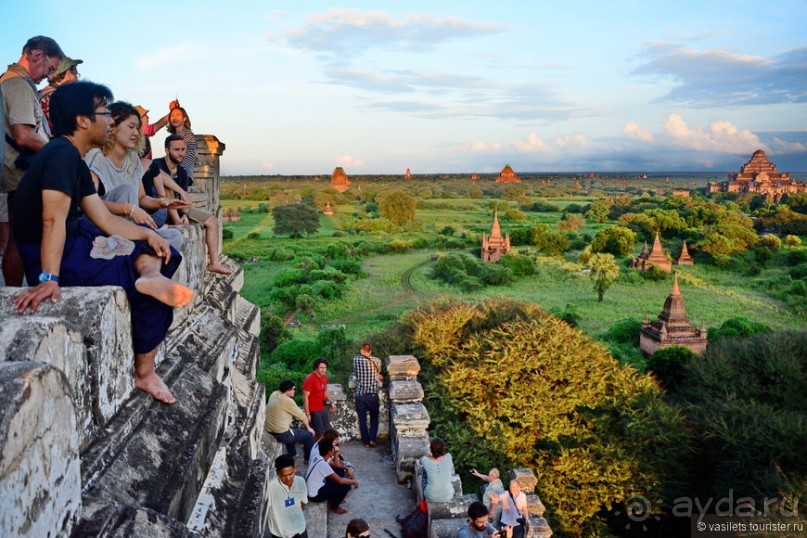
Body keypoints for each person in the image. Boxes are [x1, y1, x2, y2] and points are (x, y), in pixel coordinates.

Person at [12, 81, 193, 404]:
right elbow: (51, 220)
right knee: (149, 294)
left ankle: (149, 275)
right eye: (105, 112)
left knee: (163, 249)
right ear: (83, 120)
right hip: (59, 253)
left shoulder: (72, 158)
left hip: (76, 238)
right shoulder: (61, 155)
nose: (111, 119)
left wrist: (149, 234)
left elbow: (105, 219)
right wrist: (49, 278)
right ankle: (145, 373)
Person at [2, 35, 64, 286]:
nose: (48, 76)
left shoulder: (8, 81)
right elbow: (24, 134)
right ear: (38, 56)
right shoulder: (18, 84)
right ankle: (15, 296)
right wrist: (57, 152)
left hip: (13, 173)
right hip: (20, 175)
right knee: (19, 240)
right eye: (49, 68)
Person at [85, 102, 187, 252]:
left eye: (138, 128)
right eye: (131, 127)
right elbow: (89, 204)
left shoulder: (133, 160)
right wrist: (128, 209)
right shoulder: (96, 157)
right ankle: (135, 248)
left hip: (131, 227)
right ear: (113, 126)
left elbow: (141, 198)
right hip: (102, 227)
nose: (136, 133)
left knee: (175, 237)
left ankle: (137, 248)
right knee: (126, 190)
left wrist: (162, 202)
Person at [142, 134, 230, 273]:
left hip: (178, 209)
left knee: (212, 221)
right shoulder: (156, 165)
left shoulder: (182, 172)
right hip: (159, 209)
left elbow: (184, 201)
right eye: (176, 149)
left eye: (183, 149)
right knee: (168, 189)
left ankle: (214, 263)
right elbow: (165, 192)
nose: (180, 153)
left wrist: (184, 215)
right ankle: (178, 221)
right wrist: (178, 215)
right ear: (167, 150)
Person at [265, 379, 316, 463]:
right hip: (281, 434)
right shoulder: (288, 401)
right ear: (288, 390)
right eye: (293, 389)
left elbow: (278, 410)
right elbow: (302, 416)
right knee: (308, 435)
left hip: (270, 430)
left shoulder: (274, 394)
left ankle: (293, 454)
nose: (294, 391)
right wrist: (309, 428)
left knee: (292, 431)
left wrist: (288, 422)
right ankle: (308, 459)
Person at [305, 438, 358, 515]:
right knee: (345, 485)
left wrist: (345, 467)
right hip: (316, 495)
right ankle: (334, 507)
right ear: (329, 452)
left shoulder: (318, 457)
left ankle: (335, 497)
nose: (334, 449)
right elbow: (340, 481)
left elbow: (336, 465)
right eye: (333, 448)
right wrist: (354, 481)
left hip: (314, 488)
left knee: (339, 472)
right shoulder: (323, 465)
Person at [267, 454, 308, 538]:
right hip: (280, 534)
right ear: (277, 473)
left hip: (300, 529)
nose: (288, 478)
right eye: (284, 476)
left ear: (295, 469)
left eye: (290, 474)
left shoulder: (301, 481)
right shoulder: (270, 489)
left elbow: (303, 503)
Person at [38, 55, 82, 133]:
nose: (77, 80)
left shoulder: (40, 94)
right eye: (76, 75)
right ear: (68, 73)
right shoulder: (59, 98)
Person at [353, 343, 382, 448]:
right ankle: (372, 439)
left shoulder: (356, 360)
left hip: (360, 394)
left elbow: (355, 373)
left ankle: (366, 442)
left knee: (362, 419)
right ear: (370, 351)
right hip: (372, 395)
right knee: (374, 417)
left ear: (361, 350)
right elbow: (378, 373)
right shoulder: (377, 361)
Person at [303, 358, 335, 438]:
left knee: (327, 431)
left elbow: (325, 391)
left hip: (323, 408)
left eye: (325, 368)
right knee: (319, 434)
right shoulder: (310, 379)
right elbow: (305, 397)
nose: (323, 370)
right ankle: (316, 449)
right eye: (321, 368)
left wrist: (331, 402)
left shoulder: (324, 377)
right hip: (314, 410)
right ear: (316, 368)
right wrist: (307, 413)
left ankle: (325, 449)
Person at [166, 105, 196, 183]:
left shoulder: (188, 134)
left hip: (184, 175)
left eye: (178, 115)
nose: (175, 118)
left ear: (184, 118)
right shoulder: (172, 137)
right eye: (172, 116)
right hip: (174, 174)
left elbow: (177, 155)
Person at [421, 438, 454, 503]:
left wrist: (429, 457)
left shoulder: (425, 460)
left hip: (430, 496)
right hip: (448, 495)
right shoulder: (449, 457)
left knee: (424, 475)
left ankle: (424, 499)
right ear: (443, 448)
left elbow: (420, 461)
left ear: (431, 449)